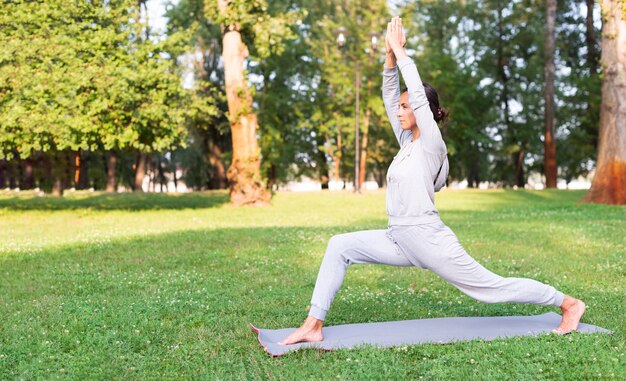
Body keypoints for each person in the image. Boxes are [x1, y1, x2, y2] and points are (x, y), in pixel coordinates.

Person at [278, 16, 586, 346]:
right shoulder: (407, 142)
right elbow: (388, 94)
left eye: (407, 108)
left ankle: (568, 303)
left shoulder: (431, 145)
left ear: (424, 112)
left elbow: (417, 99)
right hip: (398, 237)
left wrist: (401, 50)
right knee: (340, 245)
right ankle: (313, 324)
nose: (399, 111)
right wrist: (388, 57)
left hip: (428, 238)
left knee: (491, 288)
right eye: (401, 107)